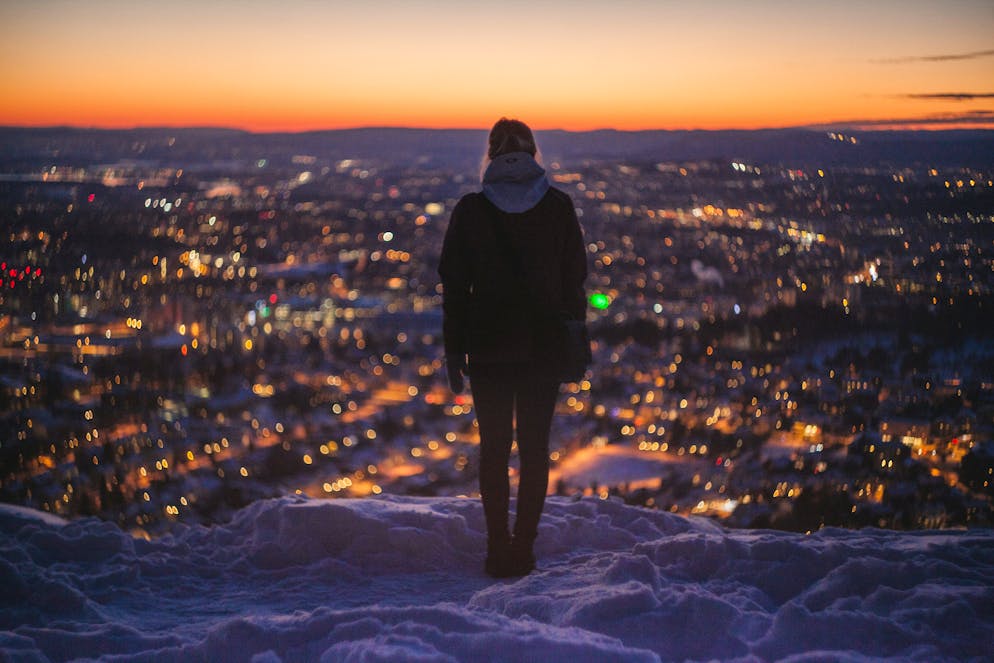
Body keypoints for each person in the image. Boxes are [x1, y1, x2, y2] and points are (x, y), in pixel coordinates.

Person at [437, 118, 587, 577]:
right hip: (544, 346)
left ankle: (497, 547)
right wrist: (572, 338)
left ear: (491, 155)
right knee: (534, 449)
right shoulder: (558, 207)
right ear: (534, 153)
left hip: (488, 347)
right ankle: (523, 547)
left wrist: (454, 351)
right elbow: (574, 282)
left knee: (495, 450)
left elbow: (455, 287)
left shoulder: (471, 211)